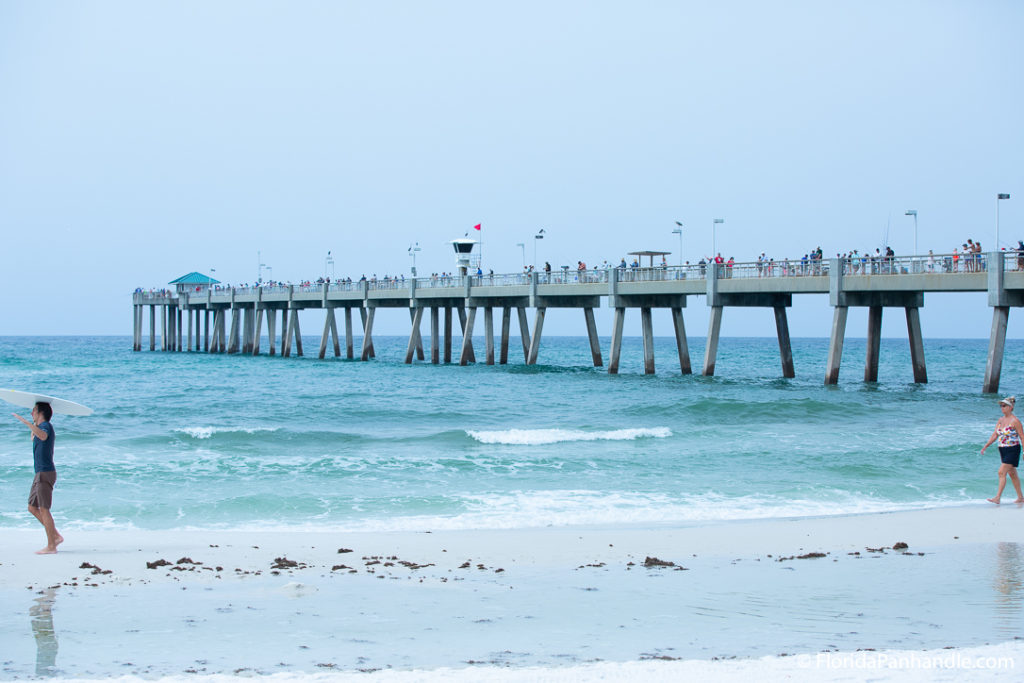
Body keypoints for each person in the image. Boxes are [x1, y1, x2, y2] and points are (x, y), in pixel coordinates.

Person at [14, 402, 64, 554]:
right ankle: (55, 536)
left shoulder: (46, 426)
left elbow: (42, 436)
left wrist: (26, 422)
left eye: (33, 411)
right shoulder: (40, 428)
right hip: (40, 473)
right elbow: (35, 437)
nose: (31, 413)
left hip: (45, 473)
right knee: (32, 507)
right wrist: (33, 424)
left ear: (40, 412)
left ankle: (51, 546)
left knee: (44, 509)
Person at [980, 396, 1024, 504]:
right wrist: (986, 445)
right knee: (1012, 473)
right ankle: (1021, 497)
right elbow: (995, 434)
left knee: (1001, 472)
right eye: (1001, 406)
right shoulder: (1000, 420)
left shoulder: (1015, 421)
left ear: (1011, 407)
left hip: (1013, 449)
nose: (1002, 408)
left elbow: (1022, 437)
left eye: (1004, 406)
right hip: (1002, 449)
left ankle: (997, 497)